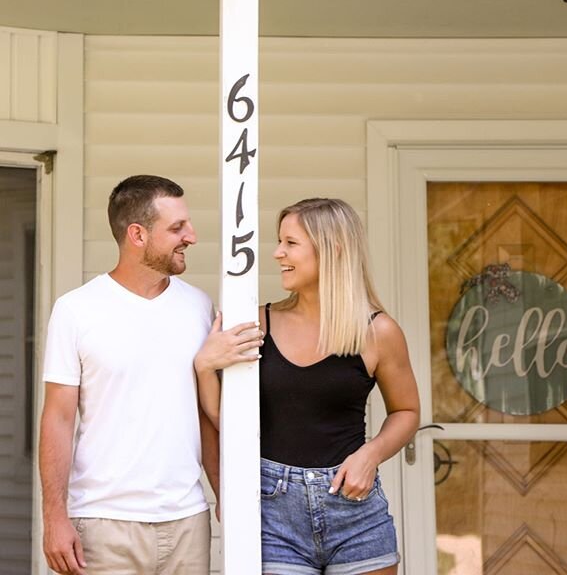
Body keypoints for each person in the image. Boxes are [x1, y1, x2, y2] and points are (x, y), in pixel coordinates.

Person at [39, 174, 262, 575]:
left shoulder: (198, 306)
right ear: (137, 234)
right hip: (103, 524)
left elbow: (203, 413)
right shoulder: (76, 310)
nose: (191, 235)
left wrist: (223, 496)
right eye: (177, 227)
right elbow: (57, 419)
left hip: (187, 522)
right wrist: (55, 518)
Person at [196, 197, 420, 575]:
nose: (277, 253)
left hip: (357, 515)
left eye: (290, 243)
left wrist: (371, 454)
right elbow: (224, 419)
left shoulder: (378, 332)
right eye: (279, 241)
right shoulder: (257, 324)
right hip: (272, 514)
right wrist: (204, 366)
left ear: (331, 248)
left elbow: (407, 411)